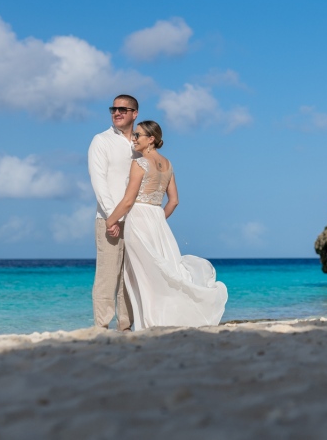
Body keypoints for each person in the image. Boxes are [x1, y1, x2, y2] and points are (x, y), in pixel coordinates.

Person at [105, 121, 227, 329]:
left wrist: (111, 220)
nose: (134, 139)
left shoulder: (140, 163)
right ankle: (167, 318)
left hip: (139, 219)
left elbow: (128, 201)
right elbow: (174, 201)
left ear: (151, 139)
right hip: (157, 220)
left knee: (144, 275)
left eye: (138, 135)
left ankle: (150, 323)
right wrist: (159, 219)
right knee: (164, 269)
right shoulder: (168, 164)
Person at [87, 94, 139, 331]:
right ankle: (102, 326)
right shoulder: (101, 140)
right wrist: (112, 217)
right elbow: (99, 183)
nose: (116, 112)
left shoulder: (141, 143)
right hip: (109, 219)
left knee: (131, 276)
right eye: (113, 109)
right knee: (107, 275)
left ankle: (126, 326)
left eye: (123, 109)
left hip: (137, 220)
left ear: (134, 114)